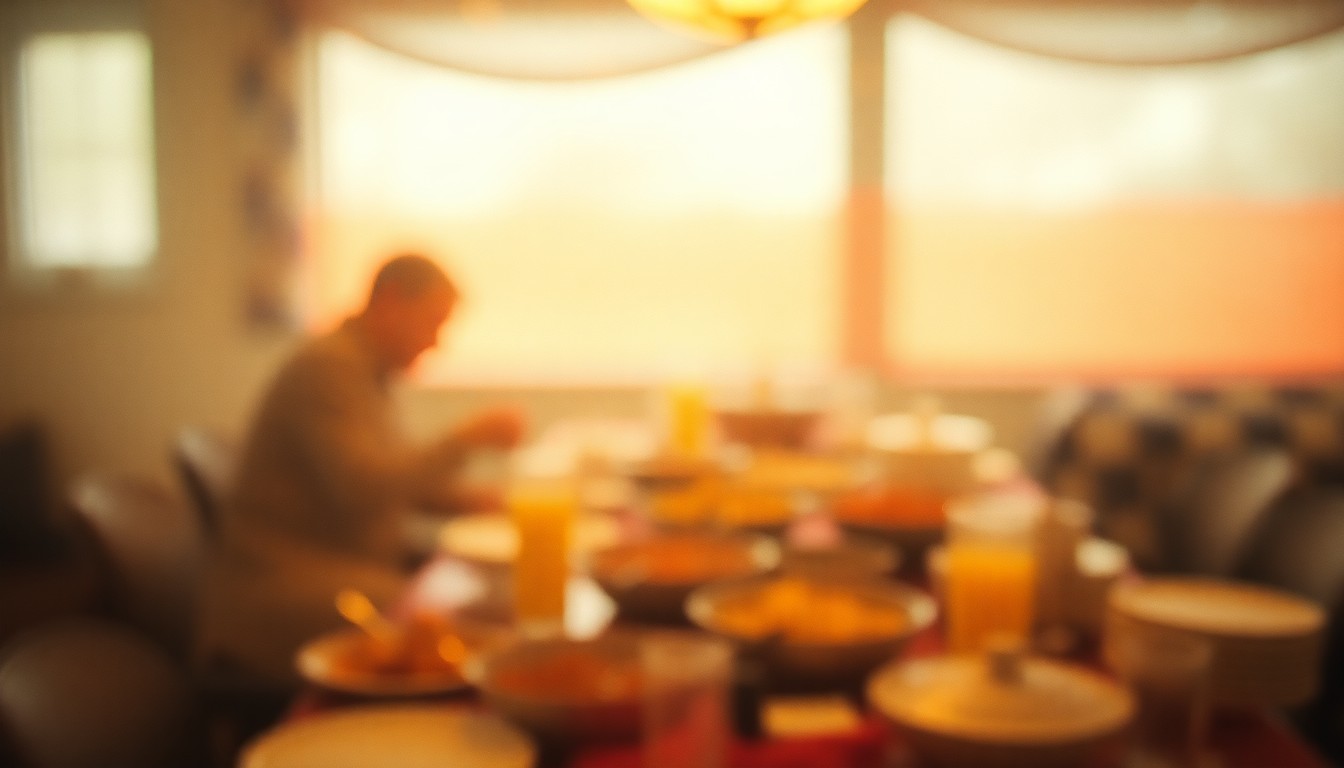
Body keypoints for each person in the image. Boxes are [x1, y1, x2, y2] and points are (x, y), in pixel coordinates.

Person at [194, 253, 525, 691]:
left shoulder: (365, 370)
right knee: (434, 618)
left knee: (463, 605)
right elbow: (363, 489)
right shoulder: (328, 368)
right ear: (390, 302)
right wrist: (464, 440)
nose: (437, 341)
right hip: (276, 588)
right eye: (433, 322)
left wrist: (479, 501)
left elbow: (394, 478)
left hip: (332, 567)